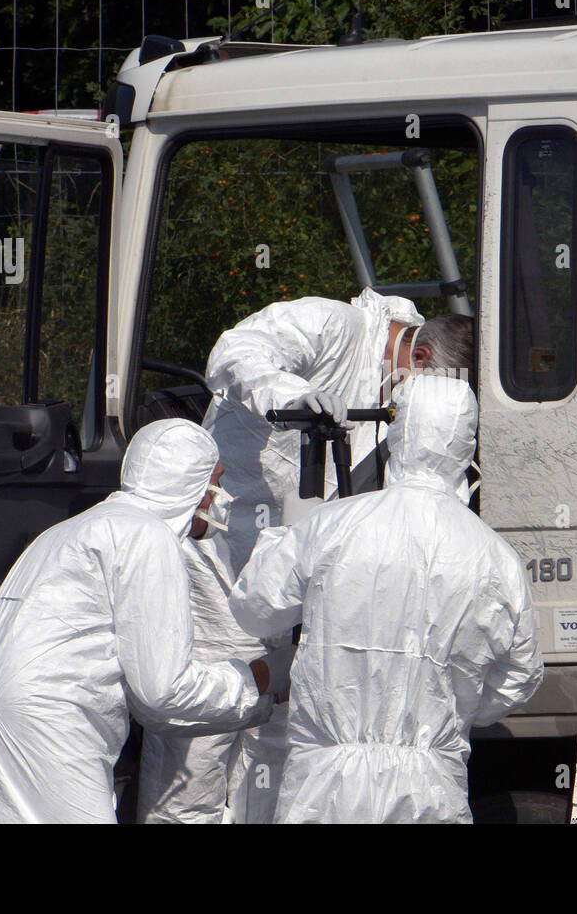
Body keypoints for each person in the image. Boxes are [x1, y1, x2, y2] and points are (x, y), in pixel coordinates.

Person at [201, 289, 474, 821]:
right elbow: (235, 349)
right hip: (224, 546)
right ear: (418, 359)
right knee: (206, 739)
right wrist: (288, 393)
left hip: (296, 569)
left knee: (281, 734)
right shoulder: (335, 327)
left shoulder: (397, 393)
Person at [228, 375, 544, 823]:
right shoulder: (496, 558)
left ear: (395, 434)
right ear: (466, 445)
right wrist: (460, 708)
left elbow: (252, 610)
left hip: (324, 788)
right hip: (430, 787)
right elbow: (521, 676)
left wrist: (287, 532)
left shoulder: (332, 526)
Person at [0, 419, 277, 824]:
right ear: (189, 484)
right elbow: (163, 695)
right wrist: (260, 682)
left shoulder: (75, 529)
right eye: (215, 483)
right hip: (48, 721)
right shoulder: (147, 535)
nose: (219, 500)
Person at [134, 468, 291, 823]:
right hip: (207, 619)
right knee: (189, 774)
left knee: (269, 775)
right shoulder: (196, 465)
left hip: (277, 618)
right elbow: (167, 700)